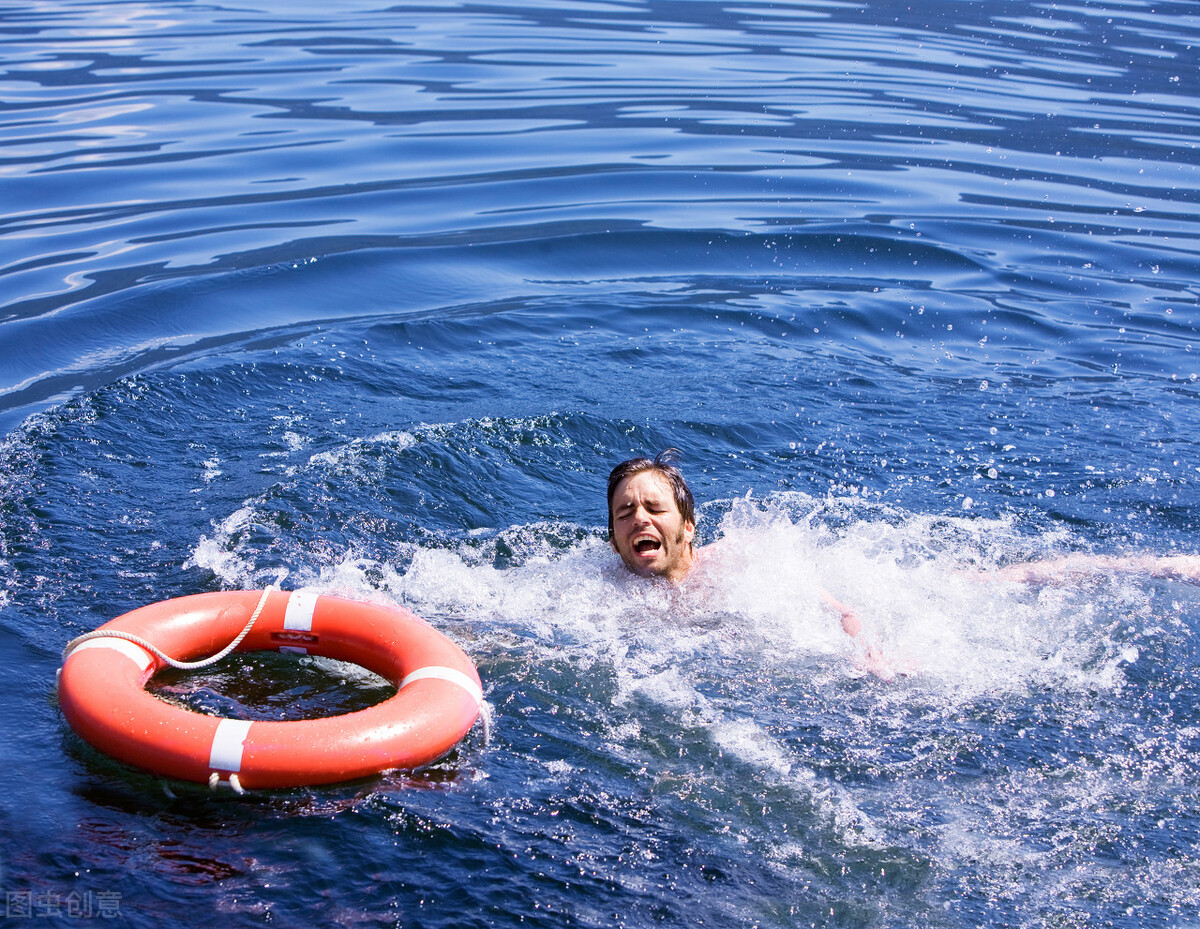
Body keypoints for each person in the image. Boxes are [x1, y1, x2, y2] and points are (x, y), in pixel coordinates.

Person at [607, 450, 888, 673]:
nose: (641, 519)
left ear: (688, 527)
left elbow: (842, 614)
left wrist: (870, 653)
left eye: (655, 508)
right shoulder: (602, 588)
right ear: (614, 543)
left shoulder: (744, 559)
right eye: (624, 514)